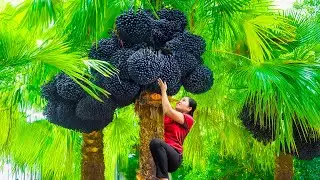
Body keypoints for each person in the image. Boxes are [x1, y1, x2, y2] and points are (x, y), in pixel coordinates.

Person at [149, 78, 197, 180]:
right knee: (155, 143)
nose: (180, 101)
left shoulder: (189, 119)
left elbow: (167, 109)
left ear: (189, 109)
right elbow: (164, 108)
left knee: (156, 142)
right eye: (180, 99)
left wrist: (163, 90)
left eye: (183, 100)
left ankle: (164, 178)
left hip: (175, 156)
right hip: (164, 153)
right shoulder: (169, 117)